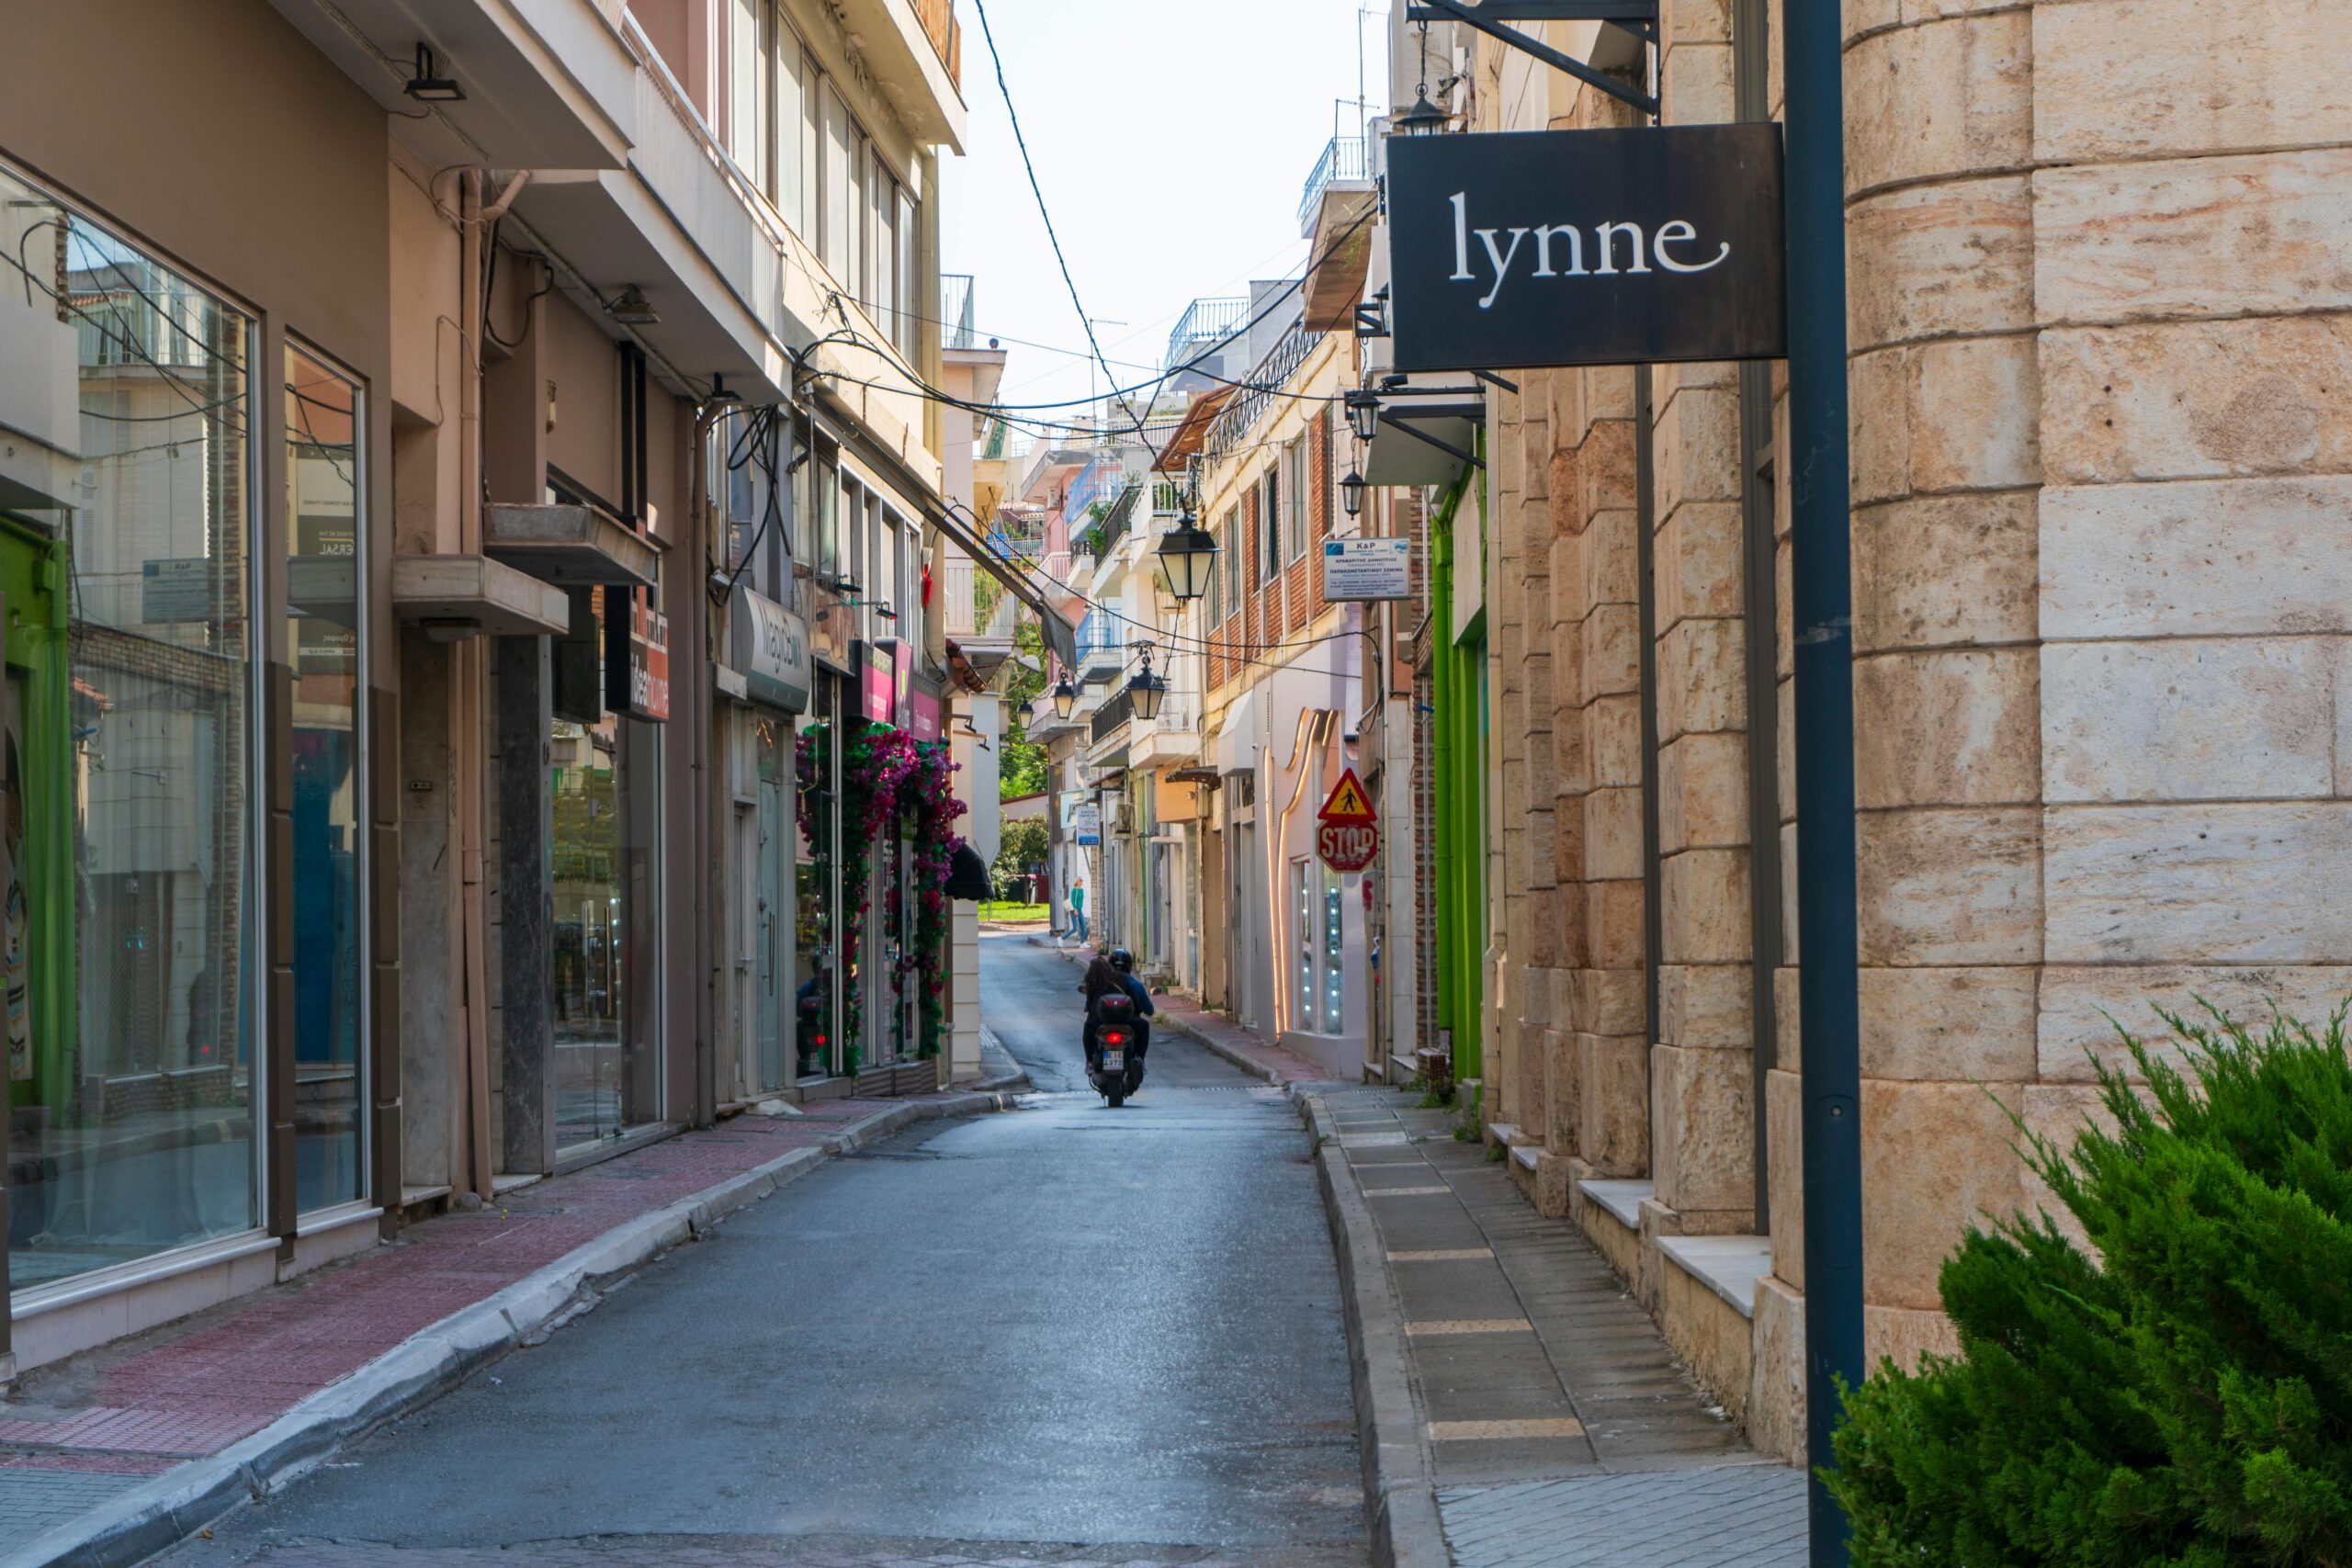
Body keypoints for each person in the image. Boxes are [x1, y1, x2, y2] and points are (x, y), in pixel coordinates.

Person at [1067, 874, 1089, 945]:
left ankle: (1082, 942)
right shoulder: (1074, 890)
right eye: (1080, 880)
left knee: (1083, 926)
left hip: (1080, 910)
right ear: (1077, 882)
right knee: (1075, 928)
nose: (1082, 881)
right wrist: (1075, 909)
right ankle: (1063, 937)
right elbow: (1073, 901)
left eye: (1082, 880)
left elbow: (1081, 900)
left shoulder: (1081, 890)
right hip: (1074, 910)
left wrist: (1079, 909)